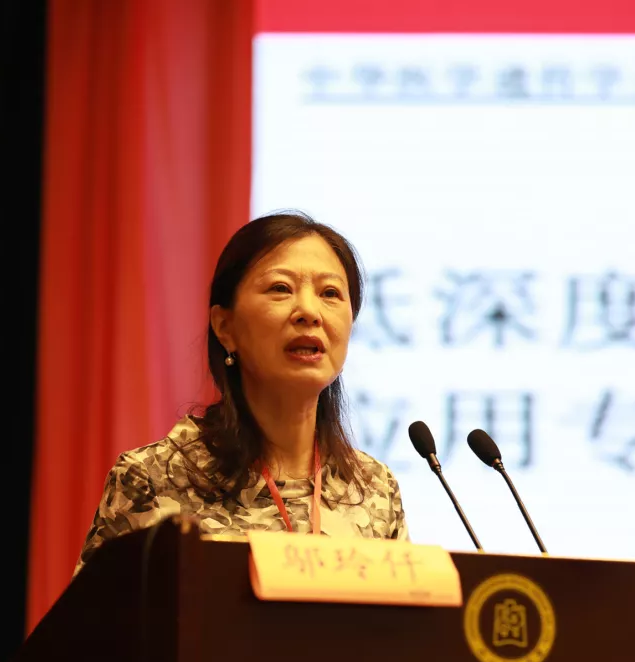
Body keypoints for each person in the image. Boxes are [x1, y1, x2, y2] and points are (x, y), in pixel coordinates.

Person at [74, 212, 409, 574]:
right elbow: (94, 612)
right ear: (225, 326)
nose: (309, 312)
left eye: (330, 293)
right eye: (280, 288)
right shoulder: (153, 479)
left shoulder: (373, 489)